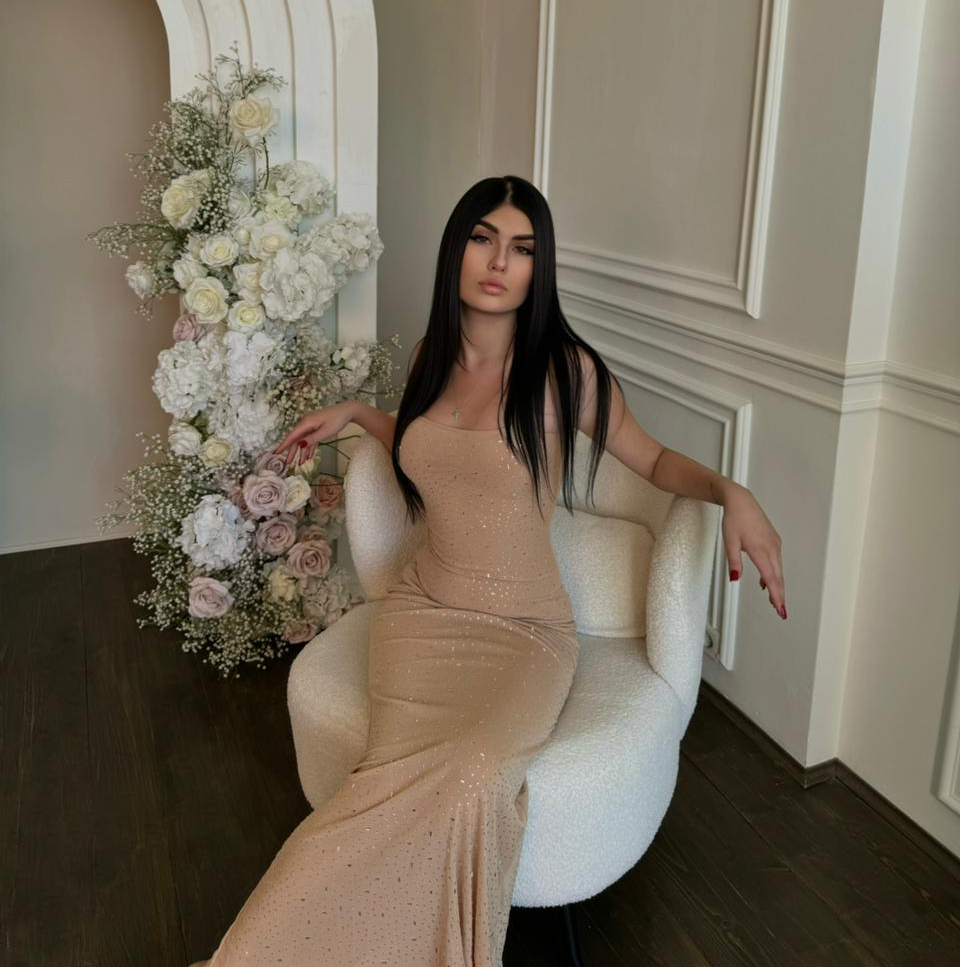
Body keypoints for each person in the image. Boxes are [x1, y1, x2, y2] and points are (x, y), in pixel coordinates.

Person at [192, 174, 786, 967]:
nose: (500, 262)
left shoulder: (565, 370)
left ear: (540, 267)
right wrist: (361, 416)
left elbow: (652, 461)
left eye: (523, 248)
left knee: (472, 774)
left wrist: (730, 490)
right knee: (387, 780)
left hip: (523, 632)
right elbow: (431, 444)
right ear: (458, 250)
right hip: (422, 614)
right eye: (483, 238)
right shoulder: (434, 356)